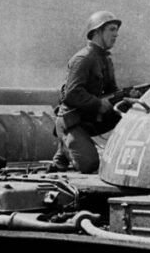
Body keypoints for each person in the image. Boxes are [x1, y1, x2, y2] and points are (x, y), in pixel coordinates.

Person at [52, 11, 129, 174]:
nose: (116, 34)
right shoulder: (83, 58)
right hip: (71, 120)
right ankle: (66, 148)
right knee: (89, 165)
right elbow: (71, 94)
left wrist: (128, 97)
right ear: (97, 32)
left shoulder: (105, 60)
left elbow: (112, 91)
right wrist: (98, 104)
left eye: (116, 30)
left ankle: (67, 149)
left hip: (88, 118)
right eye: (112, 30)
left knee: (125, 112)